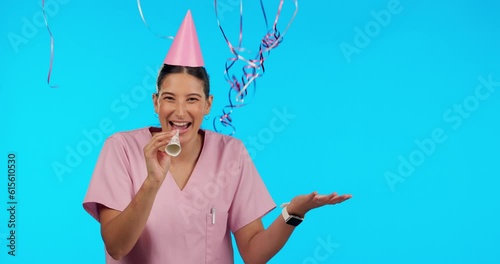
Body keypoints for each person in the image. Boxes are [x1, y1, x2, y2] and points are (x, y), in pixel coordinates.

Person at [83, 10, 351, 264]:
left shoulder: (230, 153)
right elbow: (116, 247)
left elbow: (254, 254)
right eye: (169, 98)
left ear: (208, 105)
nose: (179, 111)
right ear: (155, 103)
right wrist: (152, 182)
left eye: (192, 99)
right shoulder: (121, 149)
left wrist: (293, 213)